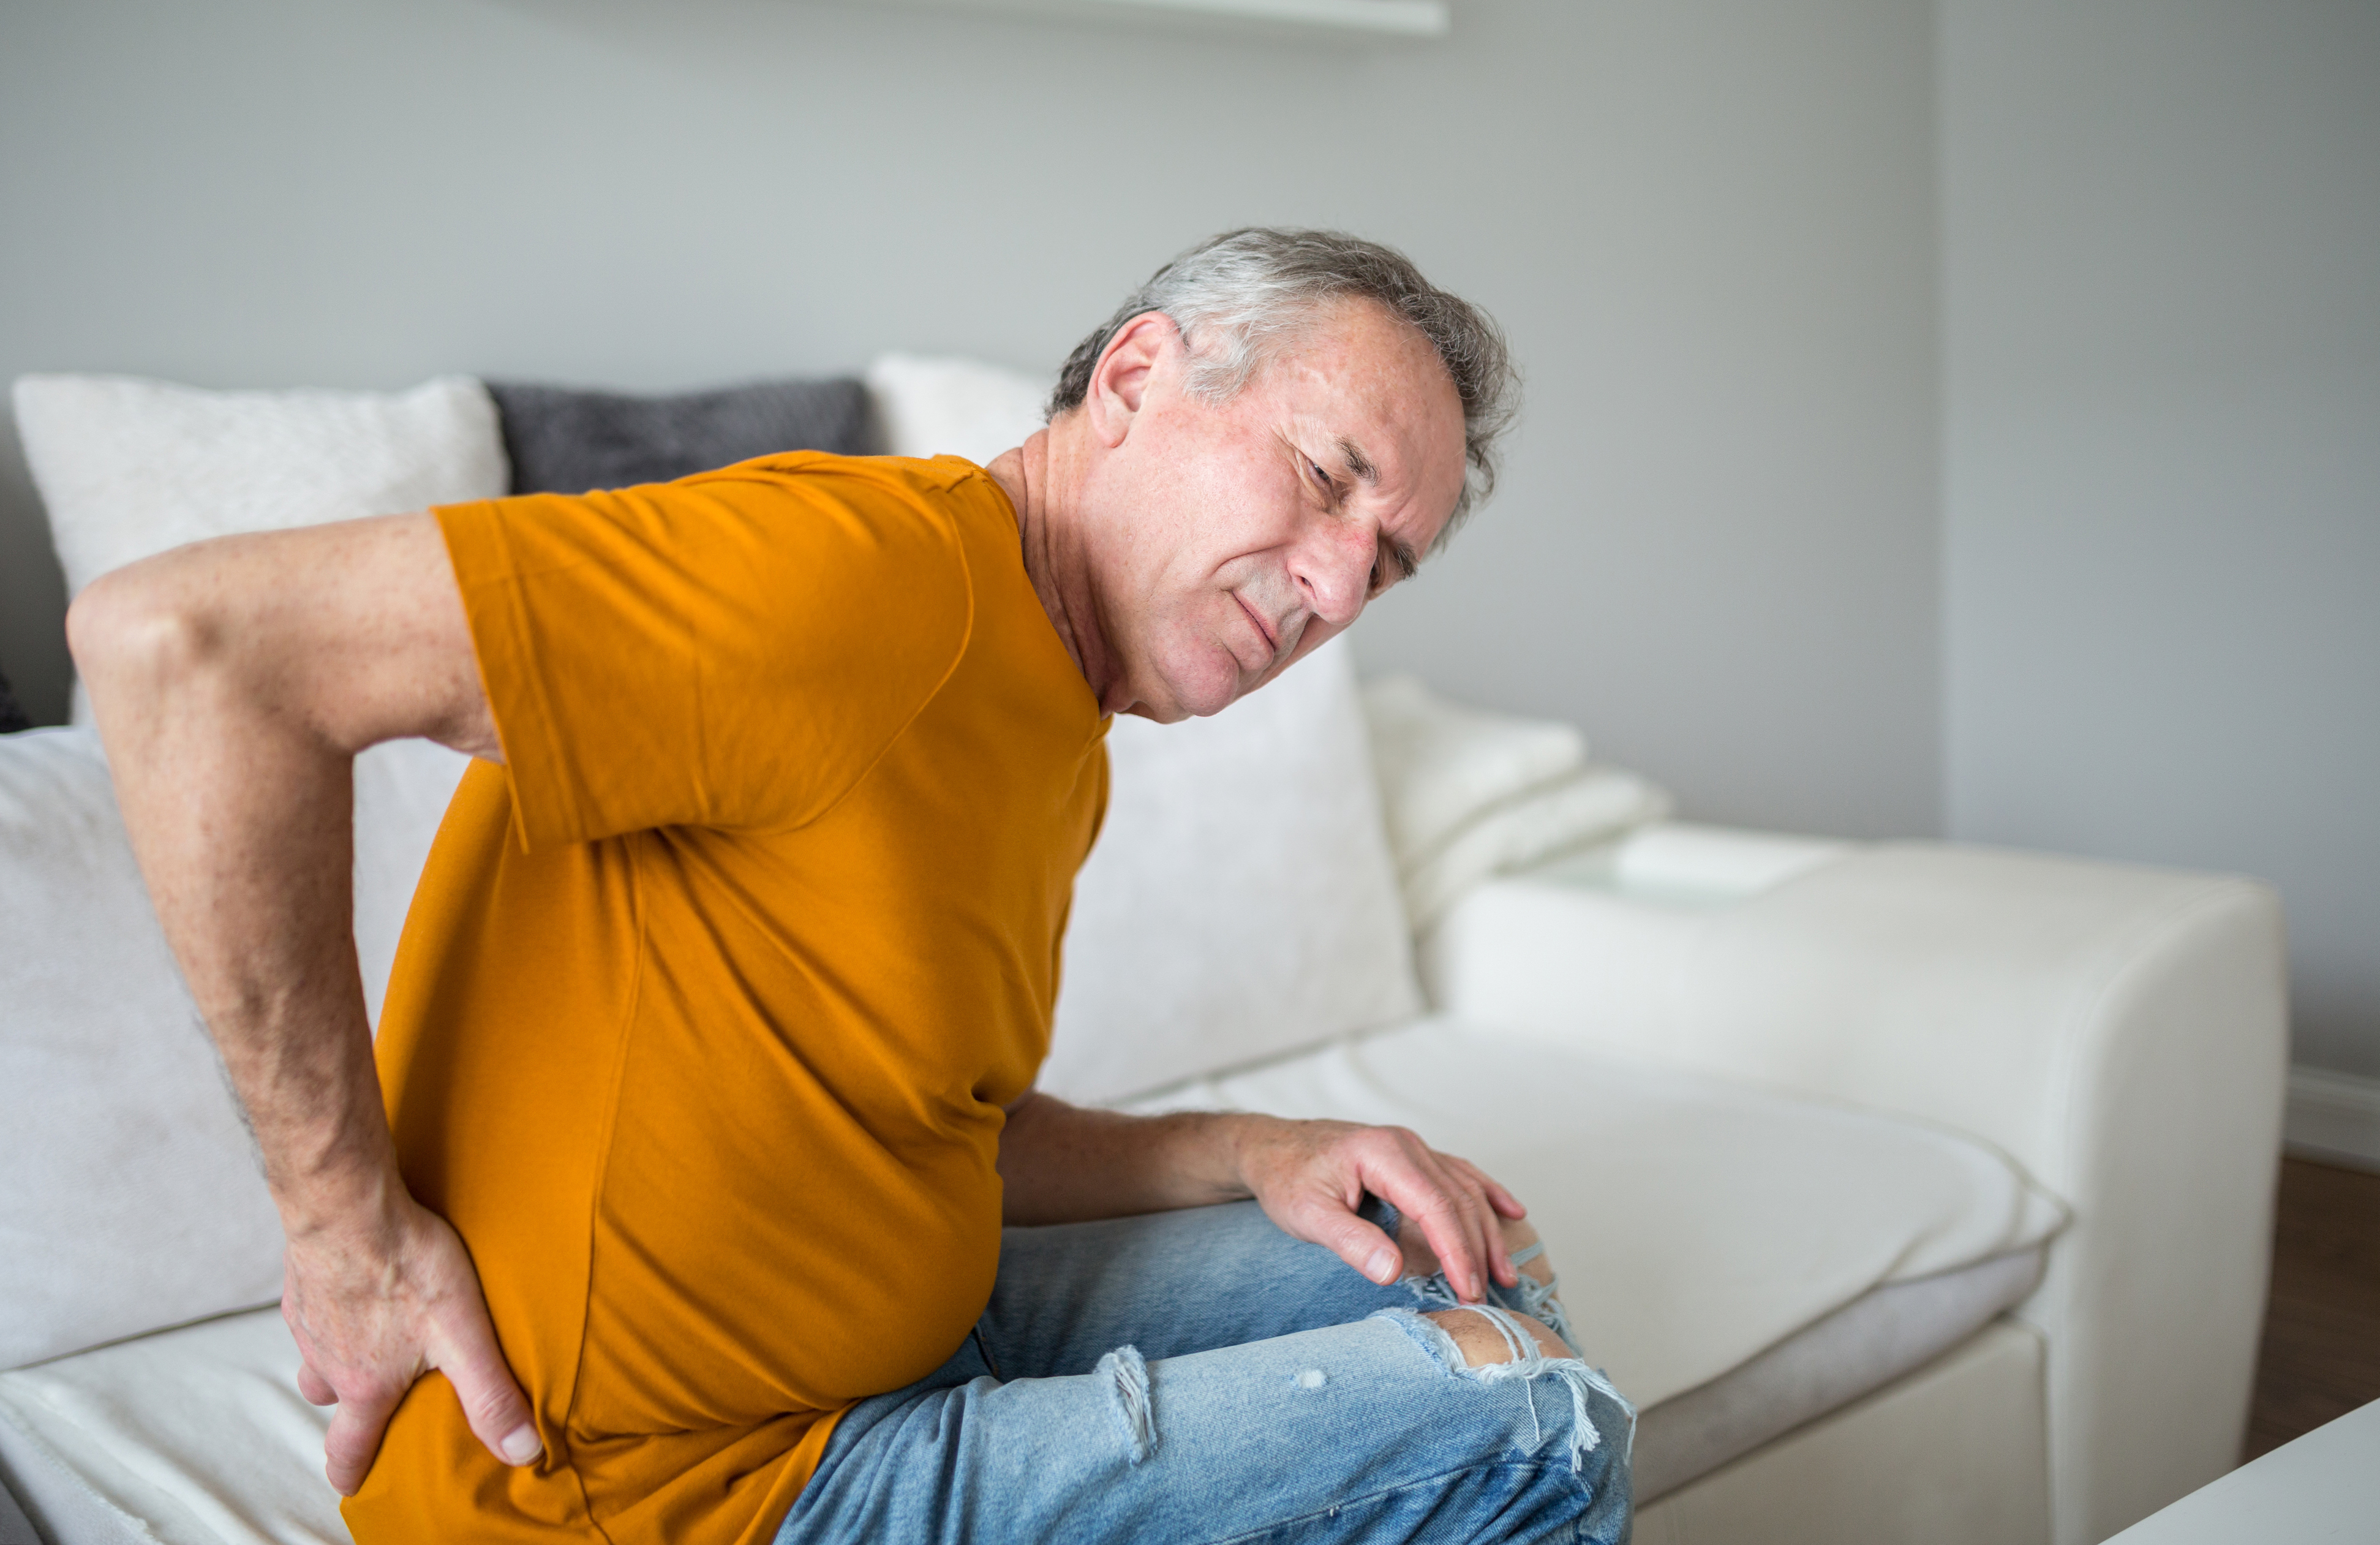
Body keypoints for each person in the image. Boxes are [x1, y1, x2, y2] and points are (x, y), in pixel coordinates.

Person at [70, 228, 1632, 1544]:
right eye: (1322, 475)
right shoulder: (861, 576)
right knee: (1530, 1427)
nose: (1339, 587)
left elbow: (927, 1120)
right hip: (677, 1490)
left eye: (1388, 561)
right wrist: (341, 1227)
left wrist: (1256, 1145)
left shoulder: (1061, 719)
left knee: (1461, 1250)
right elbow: (188, 655)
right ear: (1139, 380)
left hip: (906, 1363)